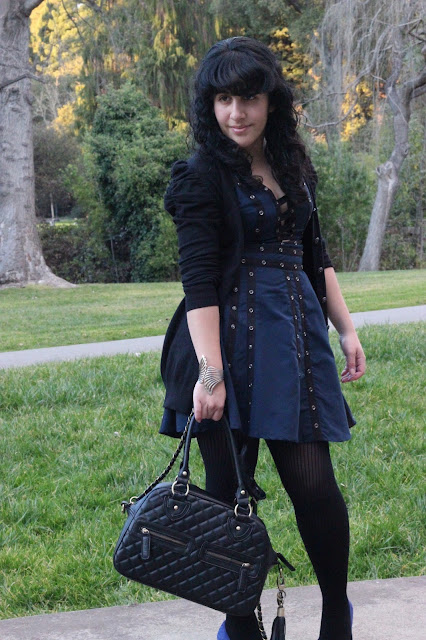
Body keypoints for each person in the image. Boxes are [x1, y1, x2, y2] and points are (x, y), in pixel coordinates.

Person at [159, 36, 365, 640]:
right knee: (227, 495)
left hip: (292, 344)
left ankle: (336, 614)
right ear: (210, 105)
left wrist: (346, 328)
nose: (236, 113)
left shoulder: (292, 166)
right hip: (221, 343)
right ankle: (239, 625)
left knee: (315, 486)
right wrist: (211, 374)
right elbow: (198, 282)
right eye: (223, 99)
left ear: (271, 101)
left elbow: (314, 256)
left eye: (248, 98)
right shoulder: (200, 176)